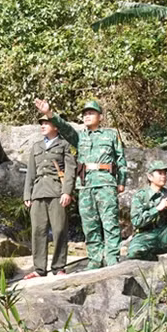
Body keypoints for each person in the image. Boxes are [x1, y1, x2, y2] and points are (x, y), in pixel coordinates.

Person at [34, 98, 127, 270]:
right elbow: (64, 128)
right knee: (89, 224)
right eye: (84, 114)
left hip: (105, 183)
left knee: (110, 222)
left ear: (100, 116)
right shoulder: (79, 136)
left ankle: (112, 256)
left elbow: (121, 159)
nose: (87, 116)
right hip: (85, 185)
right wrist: (49, 113)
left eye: (91, 113)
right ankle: (95, 258)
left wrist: (121, 182)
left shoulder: (111, 135)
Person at [23, 116, 77, 279]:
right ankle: (39, 269)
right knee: (38, 231)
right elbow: (31, 172)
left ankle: (58, 266)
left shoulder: (64, 145)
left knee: (60, 229)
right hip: (38, 193)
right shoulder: (36, 146)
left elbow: (70, 170)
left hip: (56, 192)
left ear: (56, 127)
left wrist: (67, 191)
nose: (43, 126)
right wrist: (27, 193)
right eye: (42, 124)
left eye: (46, 123)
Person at [127, 161, 167, 263]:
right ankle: (152, 260)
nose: (163, 176)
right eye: (160, 173)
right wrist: (157, 209)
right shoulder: (140, 196)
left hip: (165, 236)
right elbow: (136, 221)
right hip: (145, 236)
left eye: (165, 173)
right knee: (133, 253)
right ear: (150, 177)